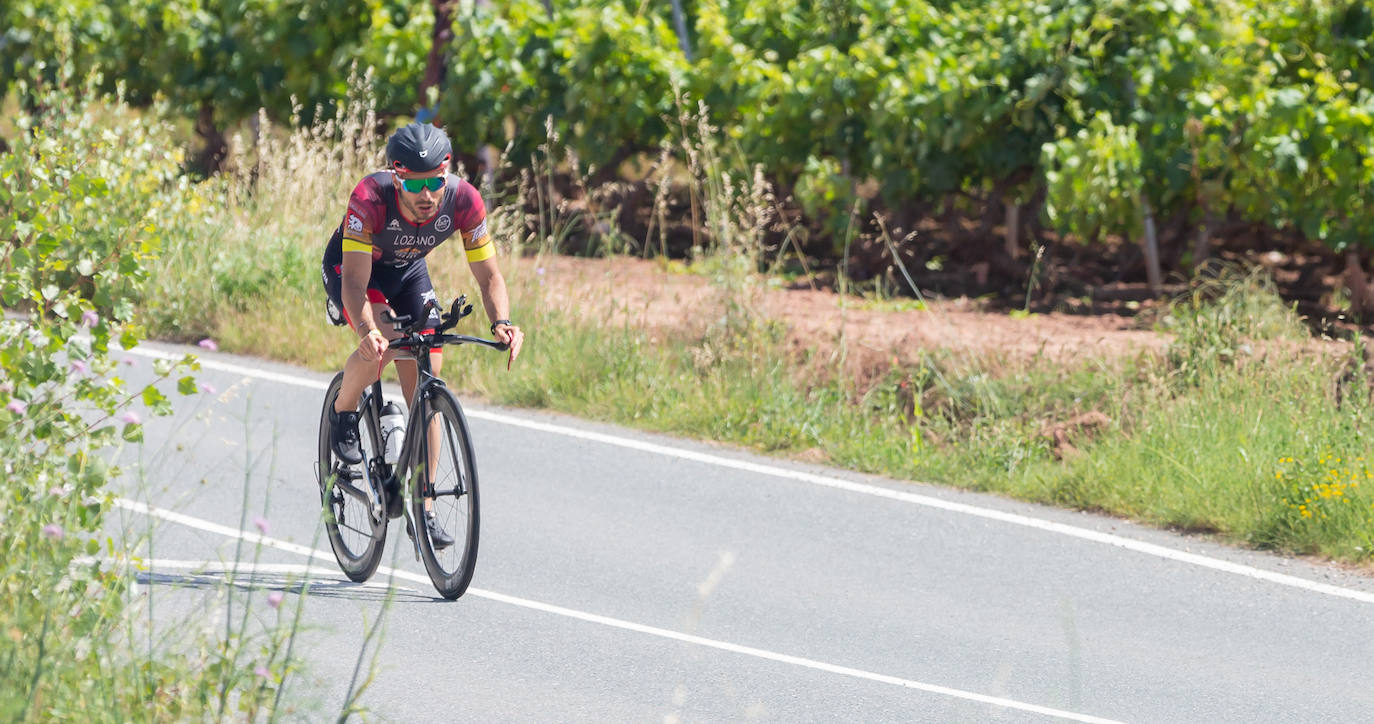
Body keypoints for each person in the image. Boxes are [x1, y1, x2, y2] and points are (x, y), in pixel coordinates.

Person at [321, 121, 524, 547]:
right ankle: (343, 410)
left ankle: (425, 506)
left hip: (409, 272)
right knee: (387, 342)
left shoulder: (464, 201)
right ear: (397, 178)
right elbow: (356, 285)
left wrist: (502, 321)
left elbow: (490, 277)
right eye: (416, 185)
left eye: (436, 181)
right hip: (356, 271)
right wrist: (366, 328)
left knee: (429, 369)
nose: (427, 195)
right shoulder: (369, 198)